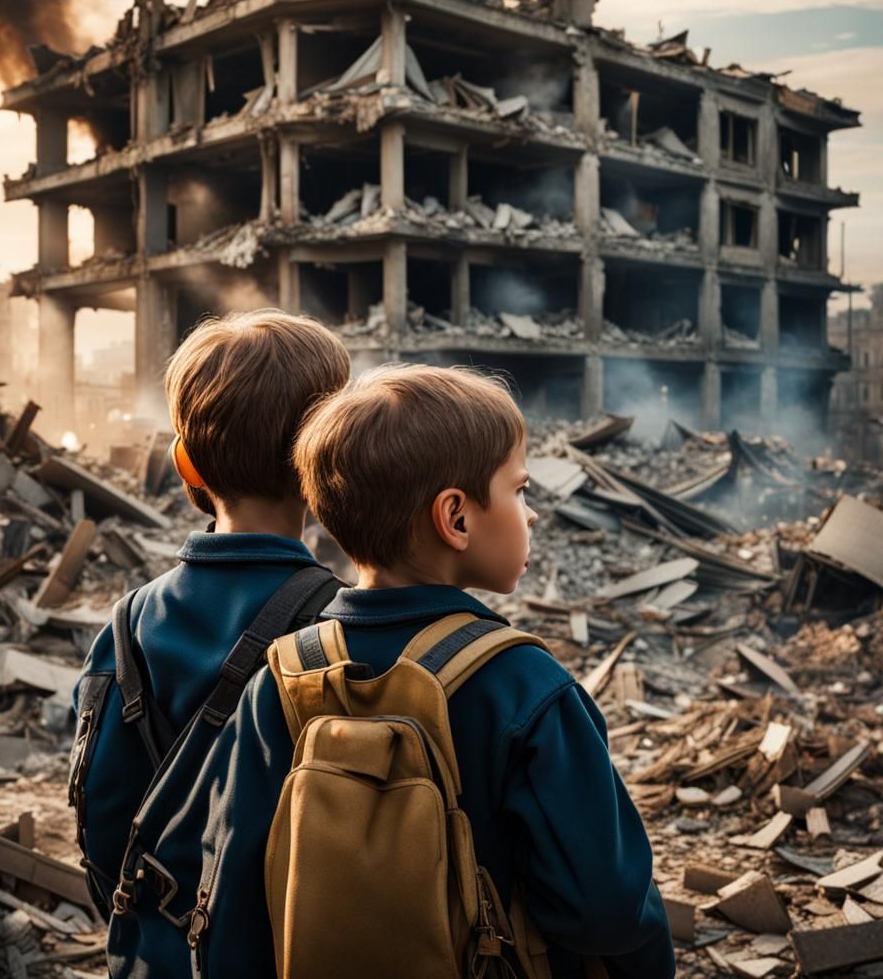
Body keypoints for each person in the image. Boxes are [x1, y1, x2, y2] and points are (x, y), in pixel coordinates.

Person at [189, 363, 675, 979]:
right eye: (519, 491)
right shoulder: (526, 687)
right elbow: (607, 907)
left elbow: (229, 894)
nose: (531, 515)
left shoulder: (281, 681)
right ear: (457, 519)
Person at [68, 309, 349, 920]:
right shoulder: (343, 632)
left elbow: (100, 824)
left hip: (151, 948)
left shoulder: (125, 627)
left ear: (184, 462)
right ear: (328, 461)